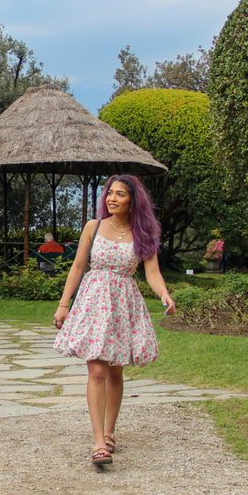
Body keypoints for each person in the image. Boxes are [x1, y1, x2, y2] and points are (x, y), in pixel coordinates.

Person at [53, 175, 175, 466]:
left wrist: (165, 295)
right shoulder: (93, 228)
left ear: (133, 200)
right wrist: (63, 304)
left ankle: (110, 432)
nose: (112, 198)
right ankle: (98, 443)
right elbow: (78, 266)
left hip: (123, 305)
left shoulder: (143, 233)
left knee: (115, 372)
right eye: (110, 193)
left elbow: (153, 273)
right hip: (94, 303)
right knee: (96, 371)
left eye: (120, 194)